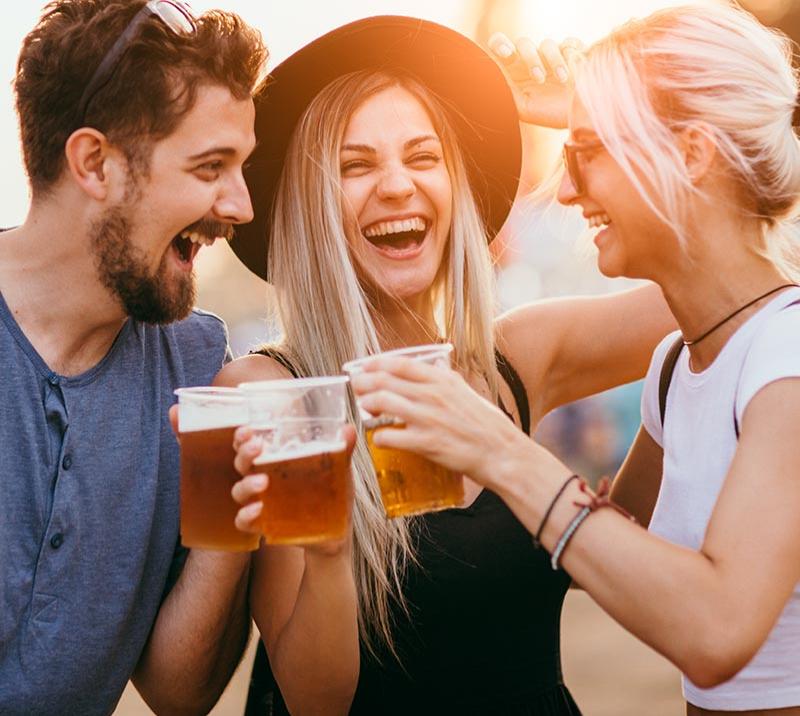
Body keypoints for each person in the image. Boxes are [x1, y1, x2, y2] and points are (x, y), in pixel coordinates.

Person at [351, 4, 800, 714]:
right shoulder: (678, 364)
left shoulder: (785, 356)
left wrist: (500, 450)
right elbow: (609, 550)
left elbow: (716, 631)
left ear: (691, 154)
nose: (565, 189)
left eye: (587, 153)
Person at [222, 16, 675, 716]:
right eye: (356, 165)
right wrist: (329, 554)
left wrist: (607, 123)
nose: (397, 185)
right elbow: (316, 700)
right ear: (311, 205)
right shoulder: (273, 392)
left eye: (423, 156)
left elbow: (727, 282)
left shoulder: (515, 359)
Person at [0, 1, 267, 713]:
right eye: (211, 166)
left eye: (241, 167)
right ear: (95, 163)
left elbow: (179, 696)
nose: (240, 206)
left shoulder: (199, 369)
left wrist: (231, 511)